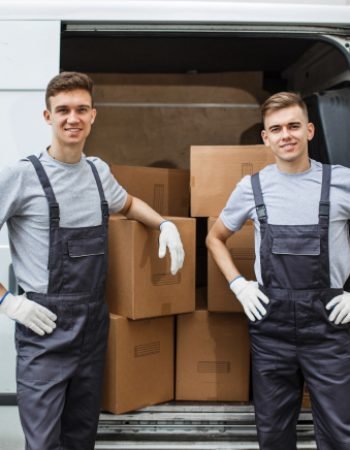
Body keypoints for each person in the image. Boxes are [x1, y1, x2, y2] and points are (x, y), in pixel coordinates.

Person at [0, 71, 185, 450]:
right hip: (43, 329)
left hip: (92, 328)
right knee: (44, 443)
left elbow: (129, 203)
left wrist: (164, 224)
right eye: (63, 110)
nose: (73, 118)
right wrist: (7, 301)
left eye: (81, 109)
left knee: (82, 438)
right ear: (47, 117)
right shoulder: (21, 176)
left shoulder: (98, 172)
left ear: (93, 116)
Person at [206, 92, 350, 450]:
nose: (286, 135)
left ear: (310, 131)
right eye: (276, 128)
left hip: (329, 326)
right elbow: (215, 238)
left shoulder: (342, 181)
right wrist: (239, 285)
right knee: (272, 436)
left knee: (340, 434)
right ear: (265, 137)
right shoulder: (252, 188)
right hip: (272, 330)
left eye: (293, 126)